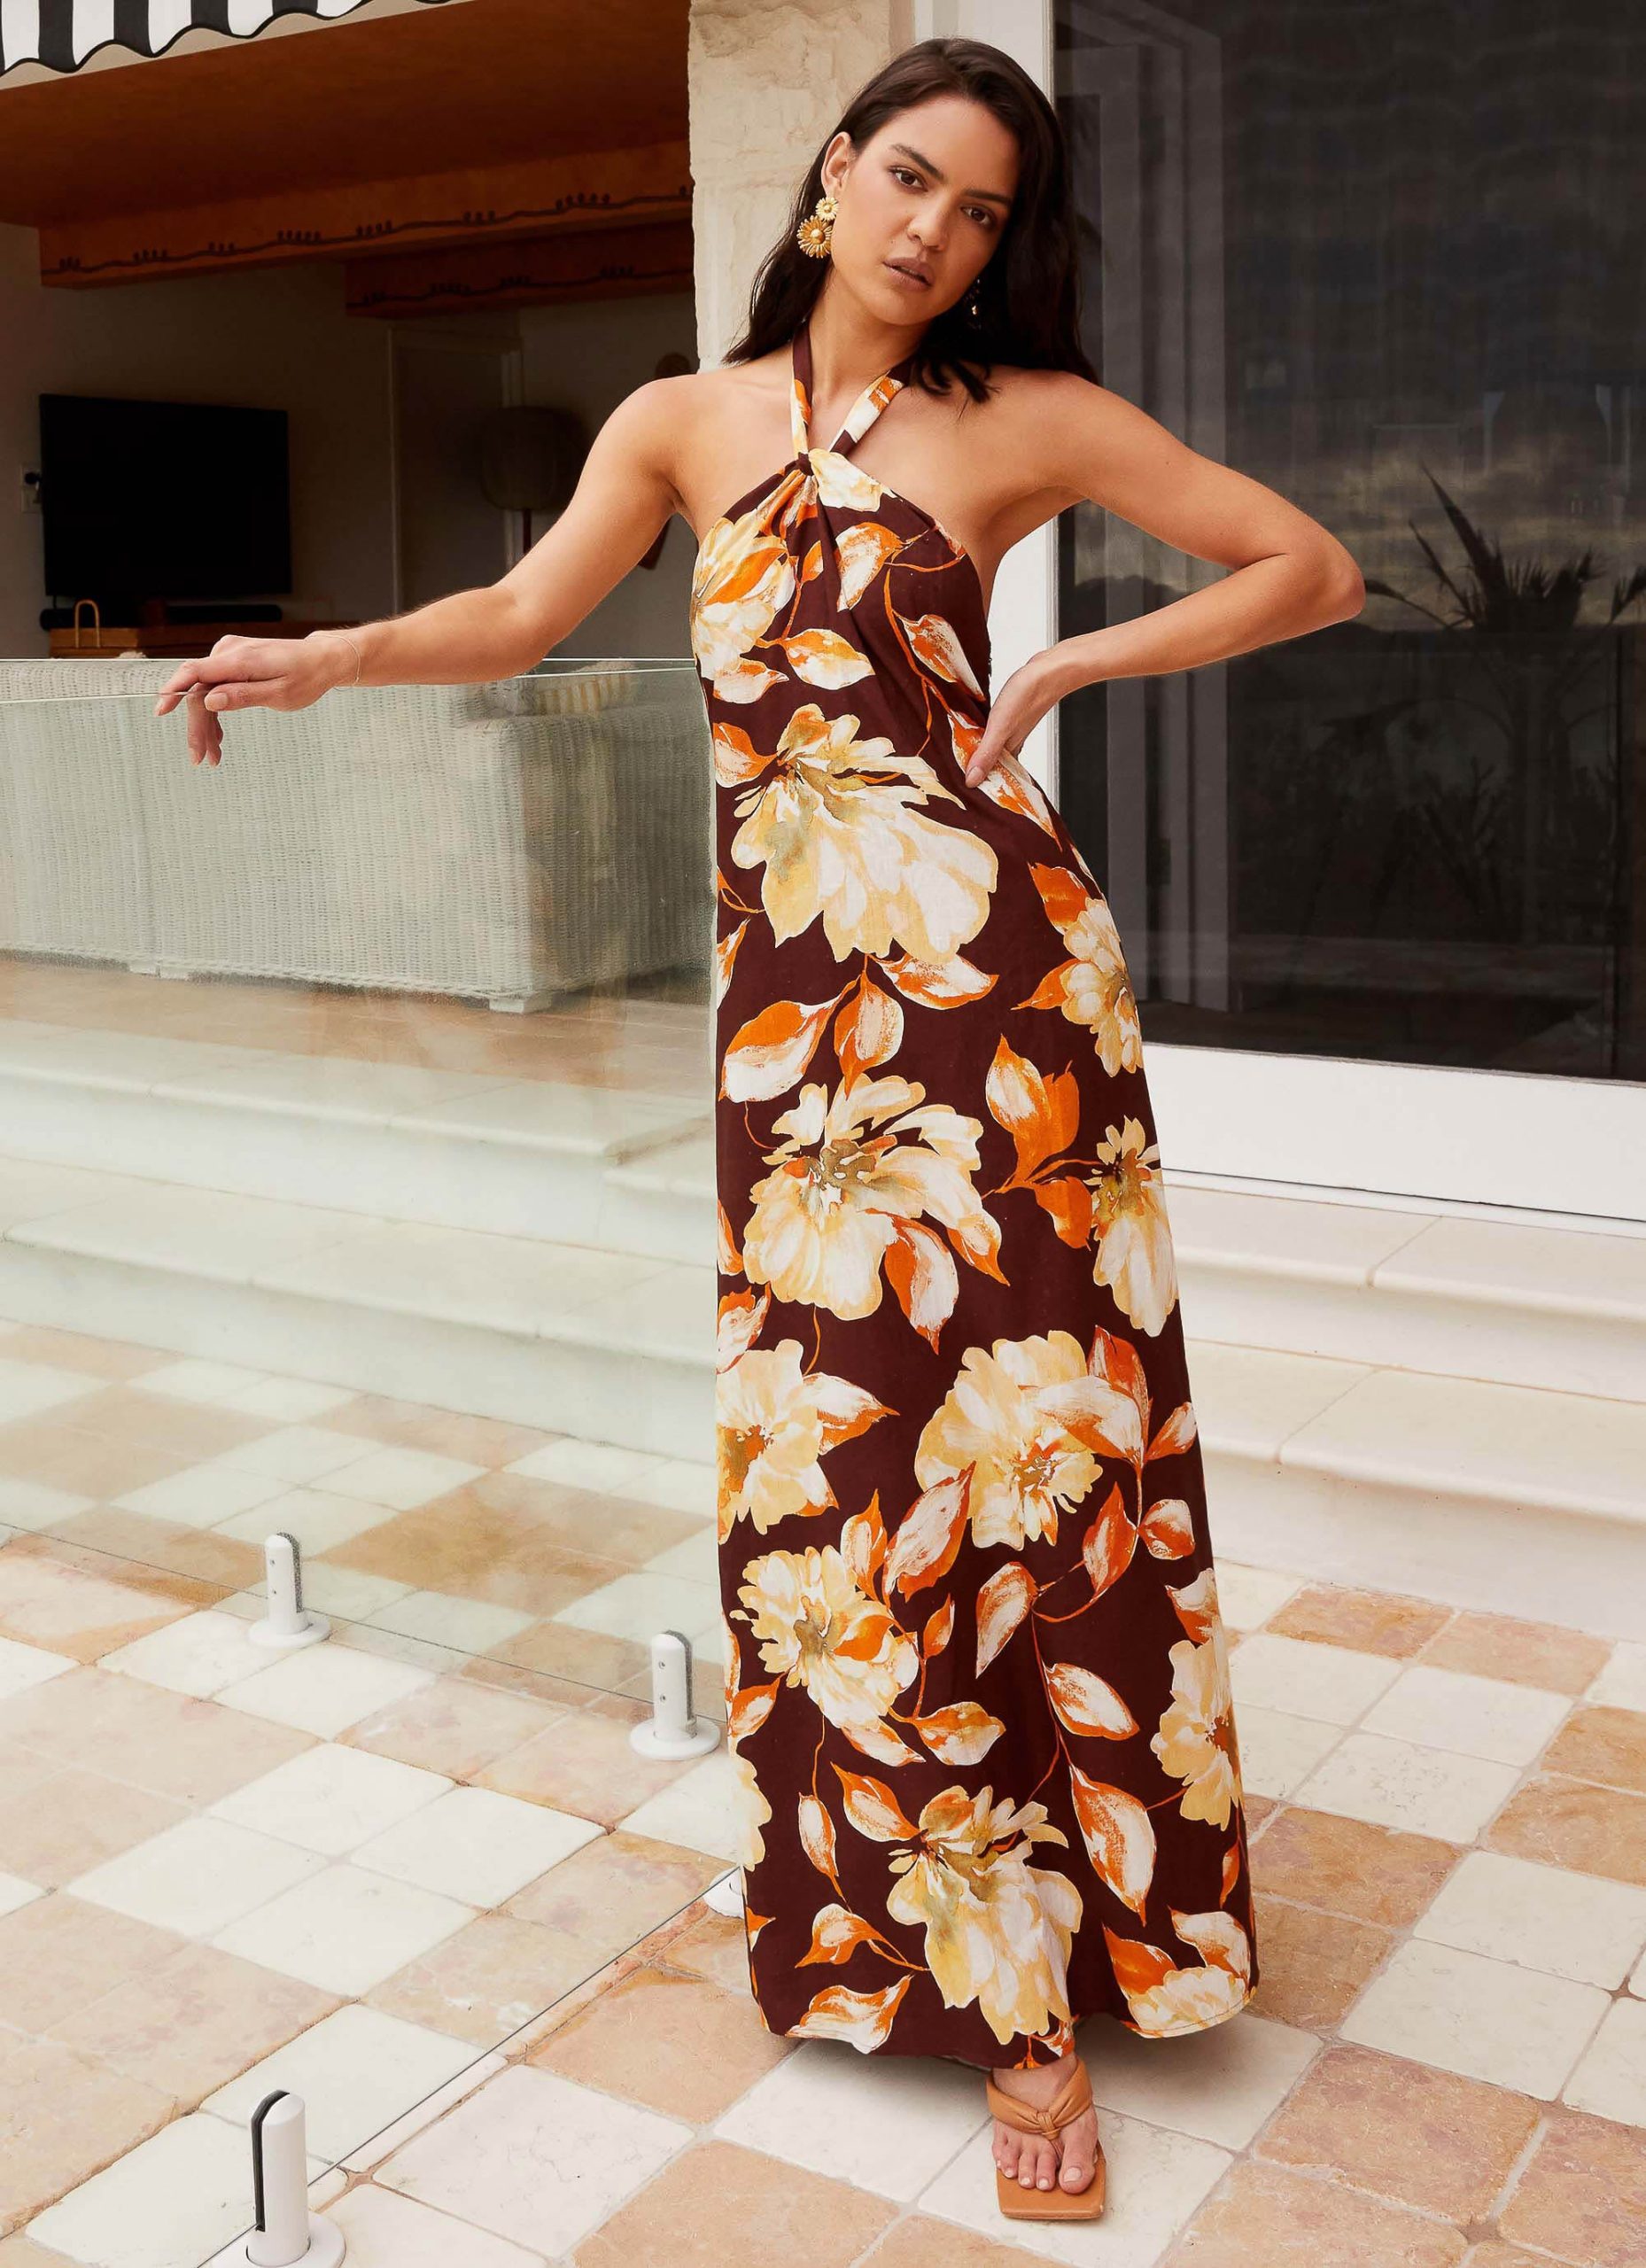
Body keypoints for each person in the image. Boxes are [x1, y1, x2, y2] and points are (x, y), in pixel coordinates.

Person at [154, 35, 1362, 2225]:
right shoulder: (678, 420)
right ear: (829, 174)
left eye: (979, 211)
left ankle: (1053, 1979)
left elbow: (1305, 565)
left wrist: (1055, 676)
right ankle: (900, 1921)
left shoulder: (1026, 417)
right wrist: (329, 656)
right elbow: (521, 614)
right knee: (844, 1475)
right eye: (907, 178)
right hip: (795, 1038)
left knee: (1035, 1454)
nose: (932, 231)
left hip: (1005, 1008)